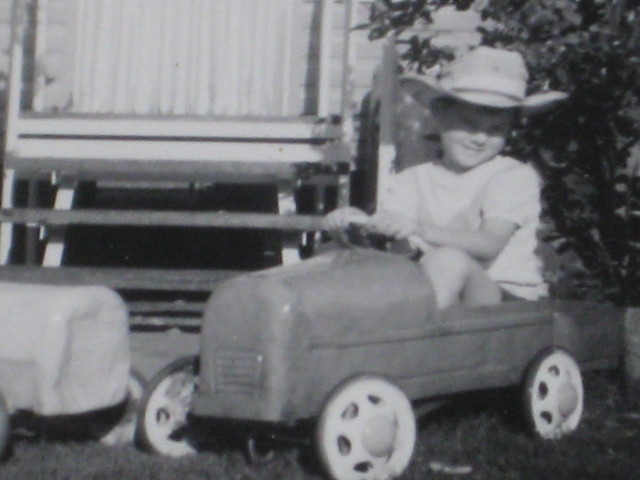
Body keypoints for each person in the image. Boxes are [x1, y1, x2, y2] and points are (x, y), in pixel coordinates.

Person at [325, 46, 567, 309]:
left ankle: (416, 341)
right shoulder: (411, 180)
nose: (480, 138)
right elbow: (394, 242)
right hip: (438, 294)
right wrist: (359, 226)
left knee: (447, 261)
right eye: (469, 124)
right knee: (355, 268)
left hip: (504, 299)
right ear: (440, 116)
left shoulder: (511, 176)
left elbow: (489, 244)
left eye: (496, 129)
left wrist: (418, 227)